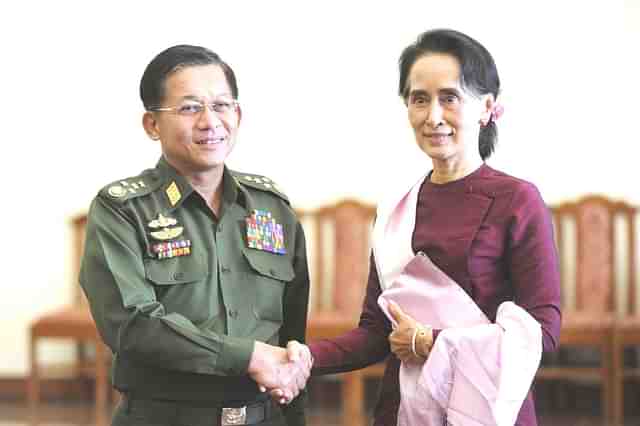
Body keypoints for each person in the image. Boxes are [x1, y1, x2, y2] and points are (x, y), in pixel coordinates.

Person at [284, 29, 561, 425]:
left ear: (486, 108)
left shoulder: (517, 200)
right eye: (419, 99)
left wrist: (430, 342)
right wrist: (306, 358)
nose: (433, 116)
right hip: (405, 409)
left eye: (450, 98)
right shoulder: (398, 209)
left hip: (487, 409)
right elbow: (377, 332)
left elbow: (543, 333)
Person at [79, 44, 312, 426]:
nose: (210, 121)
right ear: (152, 124)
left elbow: (292, 333)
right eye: (189, 108)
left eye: (221, 105)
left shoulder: (273, 208)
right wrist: (248, 355)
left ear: (237, 114)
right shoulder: (121, 210)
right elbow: (132, 324)